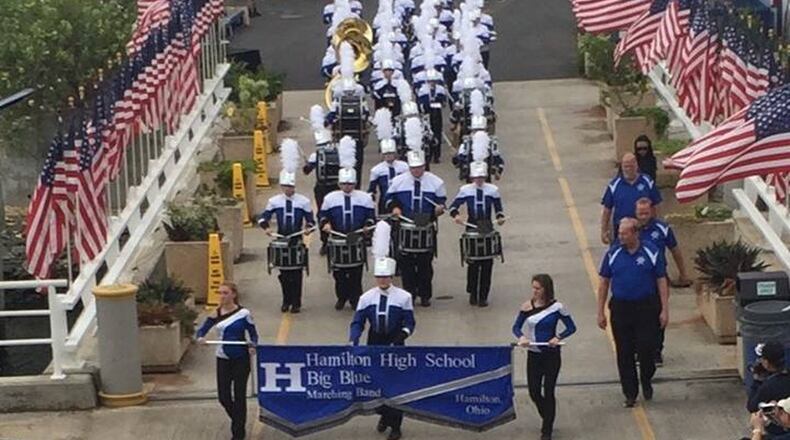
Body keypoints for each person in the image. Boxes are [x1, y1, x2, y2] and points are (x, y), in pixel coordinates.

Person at [597, 218, 669, 407]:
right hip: (621, 308)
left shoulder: (651, 251)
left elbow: (661, 280)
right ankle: (630, 392)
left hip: (646, 307)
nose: (620, 236)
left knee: (647, 348)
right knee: (624, 351)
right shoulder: (613, 253)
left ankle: (646, 378)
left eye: (624, 233)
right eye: (619, 233)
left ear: (635, 233)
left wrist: (664, 309)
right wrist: (600, 311)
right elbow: (604, 282)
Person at [349, 254, 416, 440]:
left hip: (395, 344)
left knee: (395, 385)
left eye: (385, 277)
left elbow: (410, 323)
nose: (382, 280)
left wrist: (402, 334)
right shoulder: (366, 297)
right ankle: (384, 415)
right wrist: (353, 339)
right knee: (377, 383)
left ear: (392, 277)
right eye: (379, 277)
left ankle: (396, 425)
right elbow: (358, 322)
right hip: (375, 343)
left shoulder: (404, 297)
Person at [512, 274, 577, 440]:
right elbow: (516, 327)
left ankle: (546, 429)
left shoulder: (558, 307)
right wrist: (522, 338)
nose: (534, 291)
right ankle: (547, 415)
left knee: (549, 391)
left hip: (551, 355)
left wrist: (558, 337)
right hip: (534, 354)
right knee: (534, 391)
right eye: (533, 287)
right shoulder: (527, 306)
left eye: (537, 288)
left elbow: (571, 327)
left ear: (546, 289)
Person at [258, 139, 316, 313]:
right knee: (283, 274)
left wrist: (308, 228)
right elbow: (263, 218)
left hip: (296, 239)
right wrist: (267, 229)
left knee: (296, 274)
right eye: (284, 187)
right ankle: (286, 300)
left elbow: (311, 221)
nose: (287, 190)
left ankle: (296, 302)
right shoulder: (274, 201)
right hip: (281, 239)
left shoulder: (303, 201)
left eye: (290, 187)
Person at [196, 282, 259, 440]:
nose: (222, 296)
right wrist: (200, 338)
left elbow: (253, 334)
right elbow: (202, 330)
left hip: (241, 358)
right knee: (223, 396)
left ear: (233, 295)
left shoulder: (244, 313)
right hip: (222, 357)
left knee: (239, 395)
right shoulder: (215, 313)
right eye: (220, 293)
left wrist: (253, 346)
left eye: (225, 293)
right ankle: (238, 420)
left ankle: (238, 432)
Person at [320, 137, 376, 310]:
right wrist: (326, 224)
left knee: (355, 271)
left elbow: (370, 216)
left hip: (355, 236)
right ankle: (341, 297)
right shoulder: (330, 198)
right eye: (344, 184)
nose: (347, 187)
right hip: (337, 238)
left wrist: (367, 226)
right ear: (339, 183)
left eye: (350, 184)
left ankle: (355, 298)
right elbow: (323, 215)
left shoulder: (365, 198)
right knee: (338, 272)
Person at [385, 149, 447, 307]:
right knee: (406, 265)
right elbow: (388, 199)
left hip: (426, 226)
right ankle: (410, 294)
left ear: (424, 166)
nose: (416, 171)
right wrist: (394, 208)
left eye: (419, 167)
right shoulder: (398, 181)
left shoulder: (436, 182)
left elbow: (441, 202)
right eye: (413, 168)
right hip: (405, 226)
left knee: (425, 264)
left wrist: (439, 210)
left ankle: (425, 294)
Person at [634, 197, 691, 366]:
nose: (643, 216)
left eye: (646, 213)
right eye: (640, 213)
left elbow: (675, 251)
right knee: (638, 316)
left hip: (658, 278)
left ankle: (657, 350)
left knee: (659, 314)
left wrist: (683, 272)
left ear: (651, 211)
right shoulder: (631, 230)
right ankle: (639, 350)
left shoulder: (662, 229)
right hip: (638, 280)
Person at [449, 160, 505, 307]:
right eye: (476, 177)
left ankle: (483, 296)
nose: (479, 180)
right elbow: (453, 207)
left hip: (487, 227)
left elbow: (499, 209)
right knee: (473, 263)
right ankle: (473, 293)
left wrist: (500, 218)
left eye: (481, 177)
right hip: (472, 226)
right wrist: (456, 216)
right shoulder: (465, 190)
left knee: (487, 263)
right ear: (472, 177)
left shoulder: (493, 190)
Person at [600, 153, 662, 245]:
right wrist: (604, 230)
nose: (628, 169)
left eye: (631, 166)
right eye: (626, 166)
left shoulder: (647, 182)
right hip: (622, 232)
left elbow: (656, 205)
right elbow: (607, 209)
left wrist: (656, 225)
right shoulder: (614, 185)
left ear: (636, 165)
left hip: (643, 230)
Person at [748, 341, 790, 437]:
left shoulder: (769, 385)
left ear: (766, 362)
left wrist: (757, 381)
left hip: (776, 431)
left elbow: (752, 406)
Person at [369, 138, 409, 215]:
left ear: (395, 153)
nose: (388, 156)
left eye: (391, 153)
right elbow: (372, 189)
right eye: (386, 154)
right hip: (384, 201)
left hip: (402, 199)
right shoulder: (376, 170)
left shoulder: (404, 167)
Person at [417, 69, 448, 164]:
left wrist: (439, 101)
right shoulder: (423, 90)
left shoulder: (441, 89)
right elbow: (420, 103)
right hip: (427, 114)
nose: (432, 83)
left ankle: (437, 156)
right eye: (430, 81)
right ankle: (428, 155)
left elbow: (443, 103)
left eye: (434, 81)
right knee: (427, 134)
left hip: (437, 114)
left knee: (437, 133)